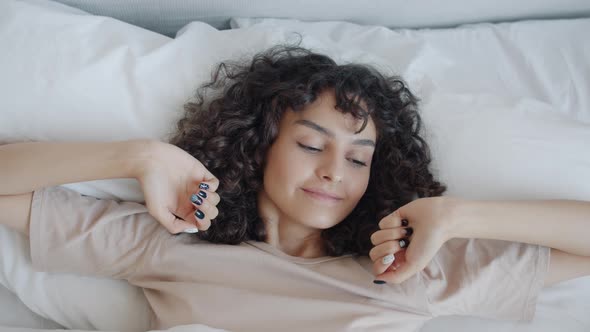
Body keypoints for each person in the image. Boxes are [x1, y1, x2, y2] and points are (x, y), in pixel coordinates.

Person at [0, 45, 589, 332]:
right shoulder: (171, 242)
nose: (335, 170)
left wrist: (458, 217)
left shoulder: (406, 271)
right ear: (258, 145)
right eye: (312, 145)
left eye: (359, 159)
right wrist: (137, 156)